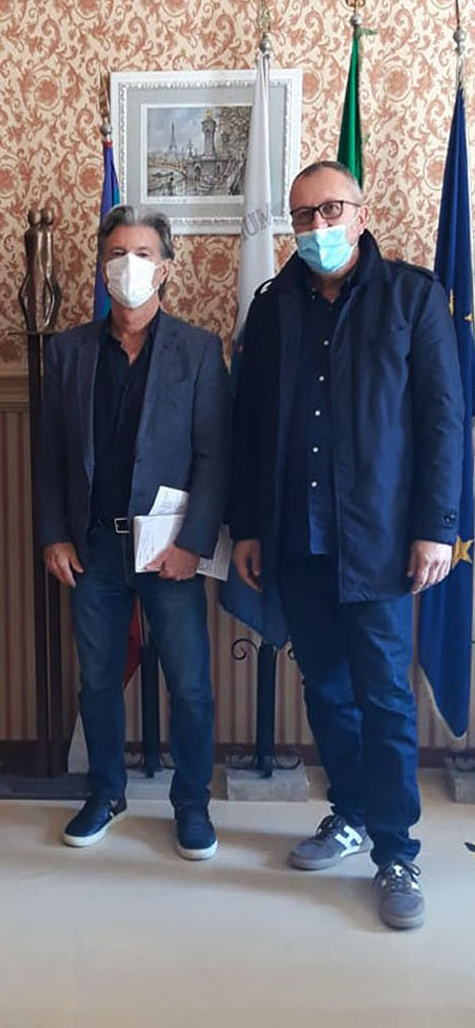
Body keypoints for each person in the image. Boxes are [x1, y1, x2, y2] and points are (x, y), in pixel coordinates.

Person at [229, 159, 465, 930]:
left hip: (382, 542)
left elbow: (442, 421)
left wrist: (437, 526)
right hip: (297, 539)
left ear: (361, 214)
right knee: (326, 690)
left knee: (385, 697)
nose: (317, 226)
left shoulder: (413, 297)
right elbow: (249, 428)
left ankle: (397, 851)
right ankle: (353, 813)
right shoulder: (273, 307)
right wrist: (249, 526)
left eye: (331, 209)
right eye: (302, 215)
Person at [37, 204, 230, 859]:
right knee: (97, 681)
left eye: (143, 253)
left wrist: (194, 544)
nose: (129, 265)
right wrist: (53, 534)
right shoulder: (67, 352)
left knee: (190, 685)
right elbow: (51, 455)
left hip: (169, 547)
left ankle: (192, 804)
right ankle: (105, 792)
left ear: (165, 268)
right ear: (101, 265)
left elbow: (214, 457)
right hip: (93, 545)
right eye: (117, 253)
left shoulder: (199, 351)